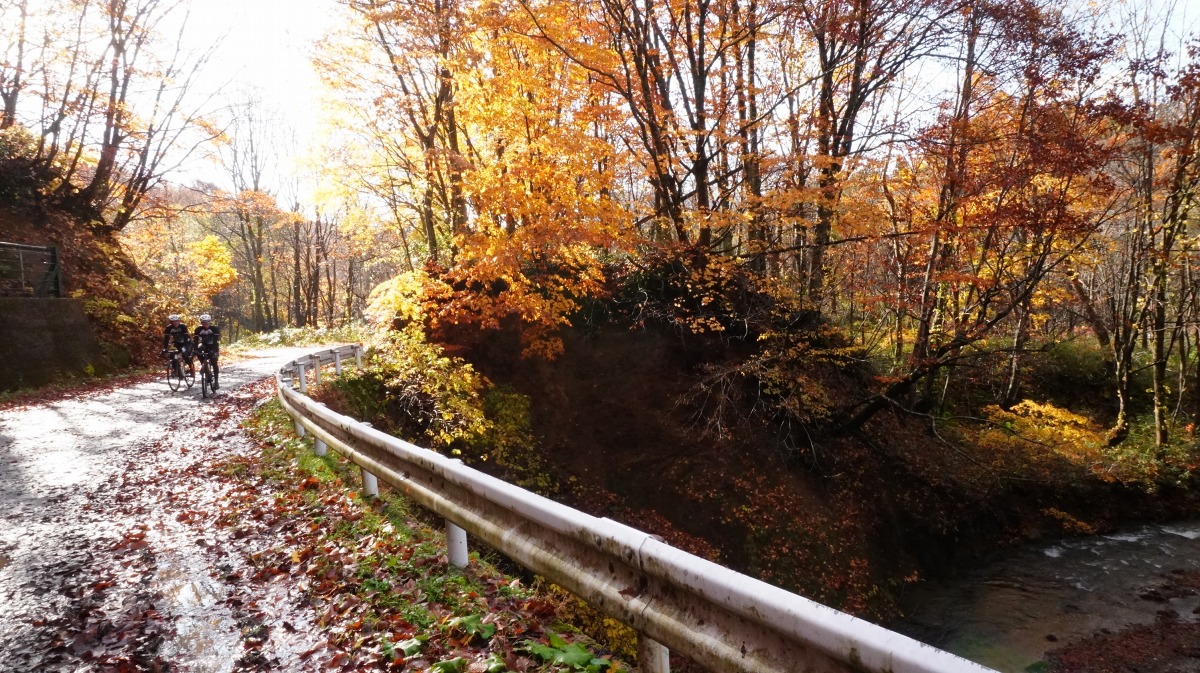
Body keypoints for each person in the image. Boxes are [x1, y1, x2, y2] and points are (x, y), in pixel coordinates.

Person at [193, 313, 221, 390]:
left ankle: (216, 381)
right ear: (201, 323)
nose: (205, 323)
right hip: (203, 345)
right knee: (198, 351)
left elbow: (216, 341)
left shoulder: (214, 329)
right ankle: (203, 365)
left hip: (213, 345)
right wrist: (195, 350)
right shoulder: (198, 329)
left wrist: (214, 351)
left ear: (210, 322)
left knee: (214, 361)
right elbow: (195, 341)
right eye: (203, 322)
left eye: (207, 322)